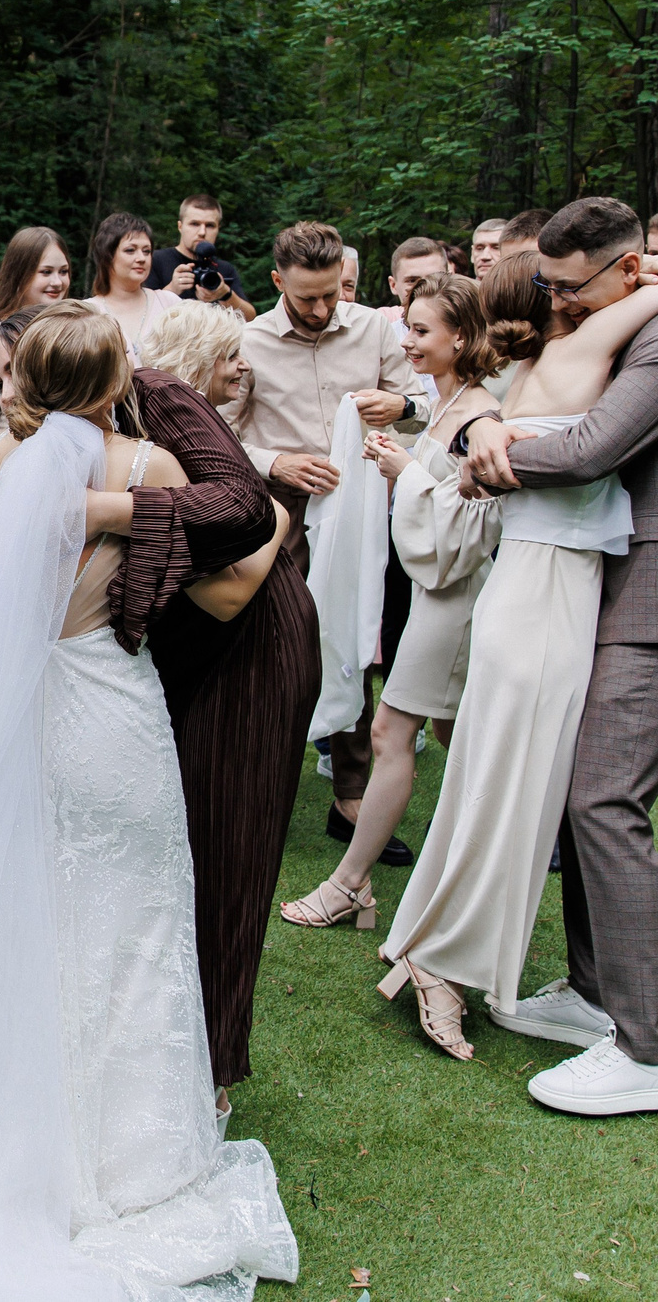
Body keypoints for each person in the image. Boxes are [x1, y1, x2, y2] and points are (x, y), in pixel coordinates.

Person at [0, 304, 300, 1299]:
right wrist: (277, 502)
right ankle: (138, 1162)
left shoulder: (5, 456)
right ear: (119, 375)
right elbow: (229, 570)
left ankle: (30, 1136)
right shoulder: (147, 470)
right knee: (136, 924)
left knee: (50, 920)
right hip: (111, 710)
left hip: (35, 708)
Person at [457, 199, 658, 1117]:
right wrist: (479, 428)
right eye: (548, 284)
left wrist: (491, 442)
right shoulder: (640, 311)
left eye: (570, 287)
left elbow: (592, 446)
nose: (557, 302)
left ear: (625, 269)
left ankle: (649, 1054)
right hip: (611, 582)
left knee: (605, 802)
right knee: (582, 800)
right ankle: (589, 995)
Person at [100, 302, 310, 1122]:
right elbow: (251, 546)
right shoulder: (153, 402)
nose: (242, 371)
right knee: (193, 856)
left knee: (228, 857)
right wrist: (276, 513)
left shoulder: (166, 424)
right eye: (229, 357)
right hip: (222, 654)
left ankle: (212, 1067)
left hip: (251, 661)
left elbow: (237, 570)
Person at [282, 274, 499, 935]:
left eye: (421, 331)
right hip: (435, 590)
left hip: (455, 596)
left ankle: (349, 883)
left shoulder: (480, 416)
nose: (407, 341)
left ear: (460, 336)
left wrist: (408, 475)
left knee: (391, 732)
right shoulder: (445, 398)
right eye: (407, 327)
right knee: (451, 733)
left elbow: (475, 527)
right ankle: (467, 870)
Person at [231, 219, 417, 859]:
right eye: (305, 296)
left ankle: (352, 793)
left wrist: (403, 411)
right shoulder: (248, 340)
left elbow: (423, 399)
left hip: (358, 507)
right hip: (279, 509)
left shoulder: (375, 330)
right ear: (277, 280)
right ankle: (262, 790)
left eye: (331, 295)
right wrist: (274, 464)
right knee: (273, 644)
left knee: (353, 637)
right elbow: (220, 432)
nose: (319, 309)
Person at [82, 211, 181, 360]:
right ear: (107, 255)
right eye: (130, 250)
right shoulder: (87, 311)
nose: (141, 258)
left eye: (146, 251)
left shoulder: (170, 304)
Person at [149, 193, 258, 321]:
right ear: (180, 226)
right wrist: (171, 290)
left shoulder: (224, 268)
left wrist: (225, 294)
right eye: (194, 224)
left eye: (210, 225)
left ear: (218, 229)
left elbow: (251, 318)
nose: (202, 232)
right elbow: (141, 313)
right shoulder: (156, 260)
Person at [379, 235, 451, 322]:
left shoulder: (467, 323)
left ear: (450, 280)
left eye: (434, 278)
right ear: (393, 285)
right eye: (412, 281)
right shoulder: (381, 323)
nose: (424, 287)